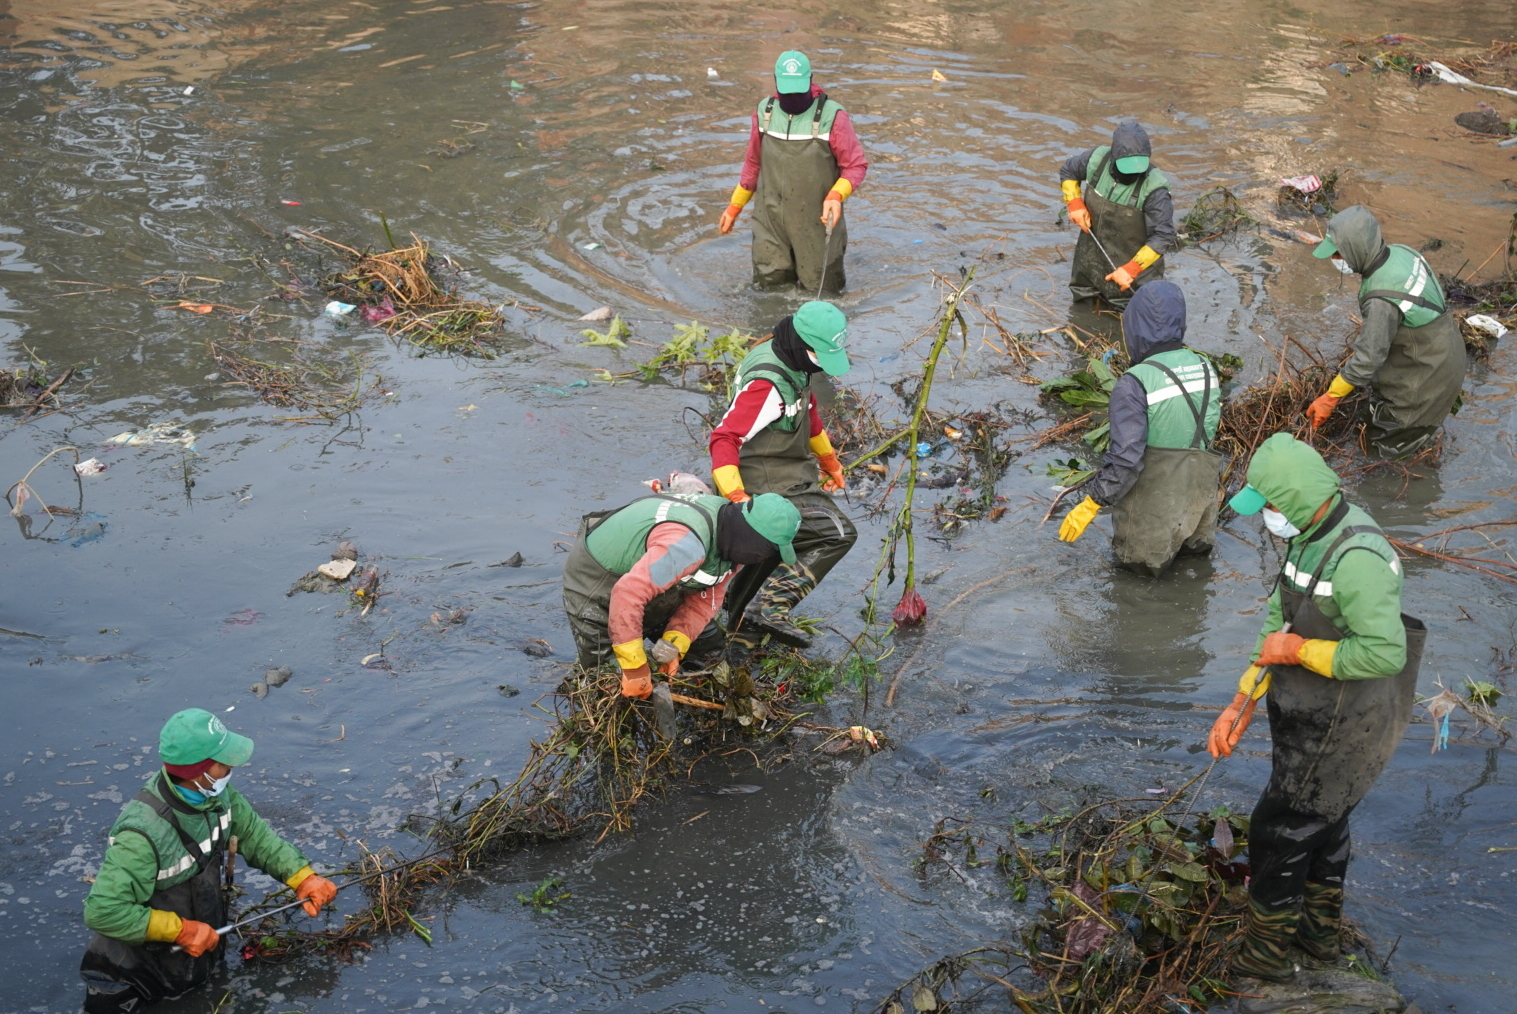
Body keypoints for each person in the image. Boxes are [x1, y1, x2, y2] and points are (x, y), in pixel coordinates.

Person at [1208, 433, 1424, 982]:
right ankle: (1319, 938)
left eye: (1272, 507)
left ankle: (1264, 962)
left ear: (1299, 500)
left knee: (1278, 828)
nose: (1268, 519)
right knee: (1323, 823)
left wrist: (1302, 651)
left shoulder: (1357, 559)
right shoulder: (1308, 535)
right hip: (1308, 712)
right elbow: (1277, 618)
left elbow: (1385, 652)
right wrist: (1243, 700)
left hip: (1345, 721)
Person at [80, 709, 337, 1013]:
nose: (230, 767)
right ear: (197, 773)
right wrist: (182, 931)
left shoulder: (218, 796)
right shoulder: (141, 834)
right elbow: (103, 911)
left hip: (193, 960)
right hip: (135, 979)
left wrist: (302, 877)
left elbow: (255, 835)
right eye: (223, 762)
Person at [709, 301, 857, 649]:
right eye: (820, 356)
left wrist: (829, 460)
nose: (823, 366)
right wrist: (737, 498)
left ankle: (742, 624)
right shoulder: (767, 384)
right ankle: (769, 607)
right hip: (760, 479)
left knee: (776, 544)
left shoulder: (791, 356)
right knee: (837, 534)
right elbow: (723, 438)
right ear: (802, 345)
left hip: (784, 467)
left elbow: (808, 408)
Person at [562, 489, 801, 698]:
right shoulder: (686, 544)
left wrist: (674, 643)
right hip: (597, 583)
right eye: (768, 551)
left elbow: (706, 599)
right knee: (609, 680)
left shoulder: (734, 538)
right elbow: (628, 594)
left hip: (655, 577)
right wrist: (634, 670)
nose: (764, 559)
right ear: (752, 538)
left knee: (710, 654)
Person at [1057, 281, 1223, 576]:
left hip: (1154, 518)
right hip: (1201, 507)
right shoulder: (1204, 366)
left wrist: (1092, 502)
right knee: (1194, 582)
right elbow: (1204, 431)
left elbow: (1126, 459)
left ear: (1135, 326)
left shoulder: (1135, 383)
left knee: (1136, 588)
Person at [1307, 205, 1466, 458]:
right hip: (1450, 351)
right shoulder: (1402, 252)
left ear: (1356, 249)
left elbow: (1369, 358)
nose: (1335, 260)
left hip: (1430, 374)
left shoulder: (1381, 297)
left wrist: (1329, 397)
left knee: (1382, 456)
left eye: (1338, 254)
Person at [716, 50, 868, 293]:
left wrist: (835, 196)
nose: (793, 96)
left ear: (810, 82)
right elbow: (753, 163)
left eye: (799, 90)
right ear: (776, 84)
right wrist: (734, 207)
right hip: (770, 221)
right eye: (788, 91)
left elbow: (855, 166)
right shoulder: (764, 113)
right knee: (768, 291)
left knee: (822, 293)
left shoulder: (833, 116)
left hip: (818, 224)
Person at [1059, 119, 1176, 306]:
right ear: (1113, 158)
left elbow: (1163, 236)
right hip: (1089, 268)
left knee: (1136, 323)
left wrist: (1132, 269)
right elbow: (1069, 171)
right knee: (1080, 317)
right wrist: (1074, 203)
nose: (1132, 174)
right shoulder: (1096, 160)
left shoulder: (1155, 189)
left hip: (1132, 284)